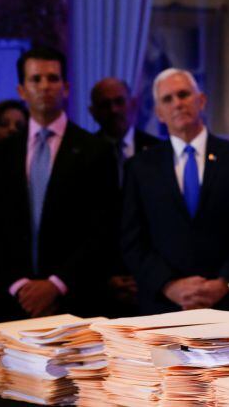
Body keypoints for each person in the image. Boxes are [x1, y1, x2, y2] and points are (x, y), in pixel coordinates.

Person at [0, 46, 118, 320]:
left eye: (53, 78)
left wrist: (56, 284)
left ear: (66, 88)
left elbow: (104, 229)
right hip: (11, 300)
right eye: (35, 79)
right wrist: (18, 285)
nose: (45, 86)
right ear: (22, 90)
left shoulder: (95, 150)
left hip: (76, 299)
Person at [122, 68, 229, 317]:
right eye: (167, 99)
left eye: (183, 95)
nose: (177, 104)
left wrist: (224, 284)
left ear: (201, 100)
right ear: (158, 112)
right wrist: (169, 286)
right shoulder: (140, 167)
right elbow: (132, 241)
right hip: (165, 310)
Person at [89, 77, 159, 315]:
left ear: (134, 103)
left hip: (153, 284)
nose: (114, 110)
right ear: (92, 112)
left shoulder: (160, 152)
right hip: (97, 286)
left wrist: (146, 275)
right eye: (104, 104)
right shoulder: (82, 153)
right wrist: (103, 278)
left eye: (119, 101)